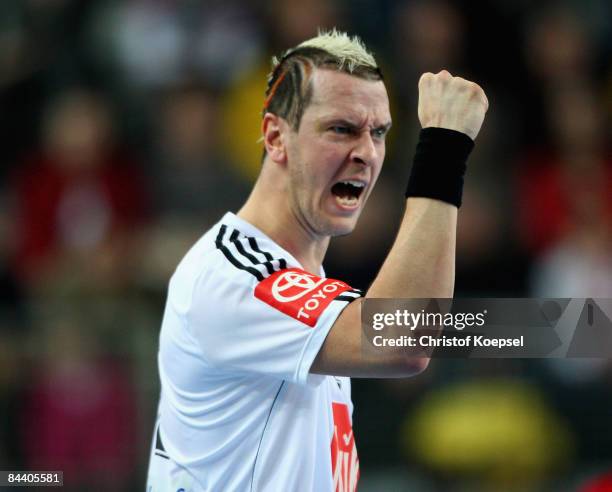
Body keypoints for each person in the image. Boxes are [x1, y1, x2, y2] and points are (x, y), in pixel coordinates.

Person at [146, 30, 488, 492]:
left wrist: (577, 327)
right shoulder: (234, 273)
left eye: (379, 132)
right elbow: (401, 336)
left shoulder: (299, 282)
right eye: (341, 129)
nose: (366, 152)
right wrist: (444, 148)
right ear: (275, 137)